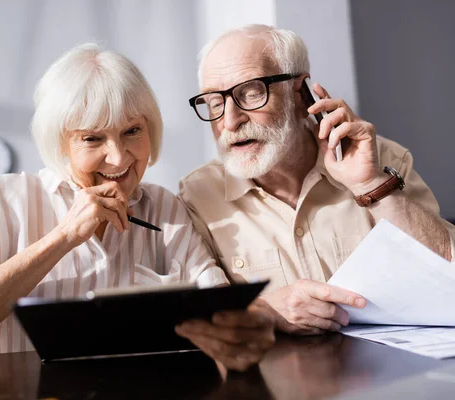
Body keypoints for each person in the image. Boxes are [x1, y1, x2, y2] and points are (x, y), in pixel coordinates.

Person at [0, 43, 275, 368]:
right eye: (92, 138)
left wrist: (253, 325)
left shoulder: (163, 206)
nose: (118, 158)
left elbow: (223, 310)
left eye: (132, 131)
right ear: (61, 144)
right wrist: (64, 236)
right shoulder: (2, 200)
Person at [177, 24, 455, 339]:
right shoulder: (197, 196)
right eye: (215, 103)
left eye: (251, 93)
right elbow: (205, 323)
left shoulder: (382, 160)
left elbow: (449, 270)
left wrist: (371, 186)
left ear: (300, 95)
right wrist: (264, 311)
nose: (230, 121)